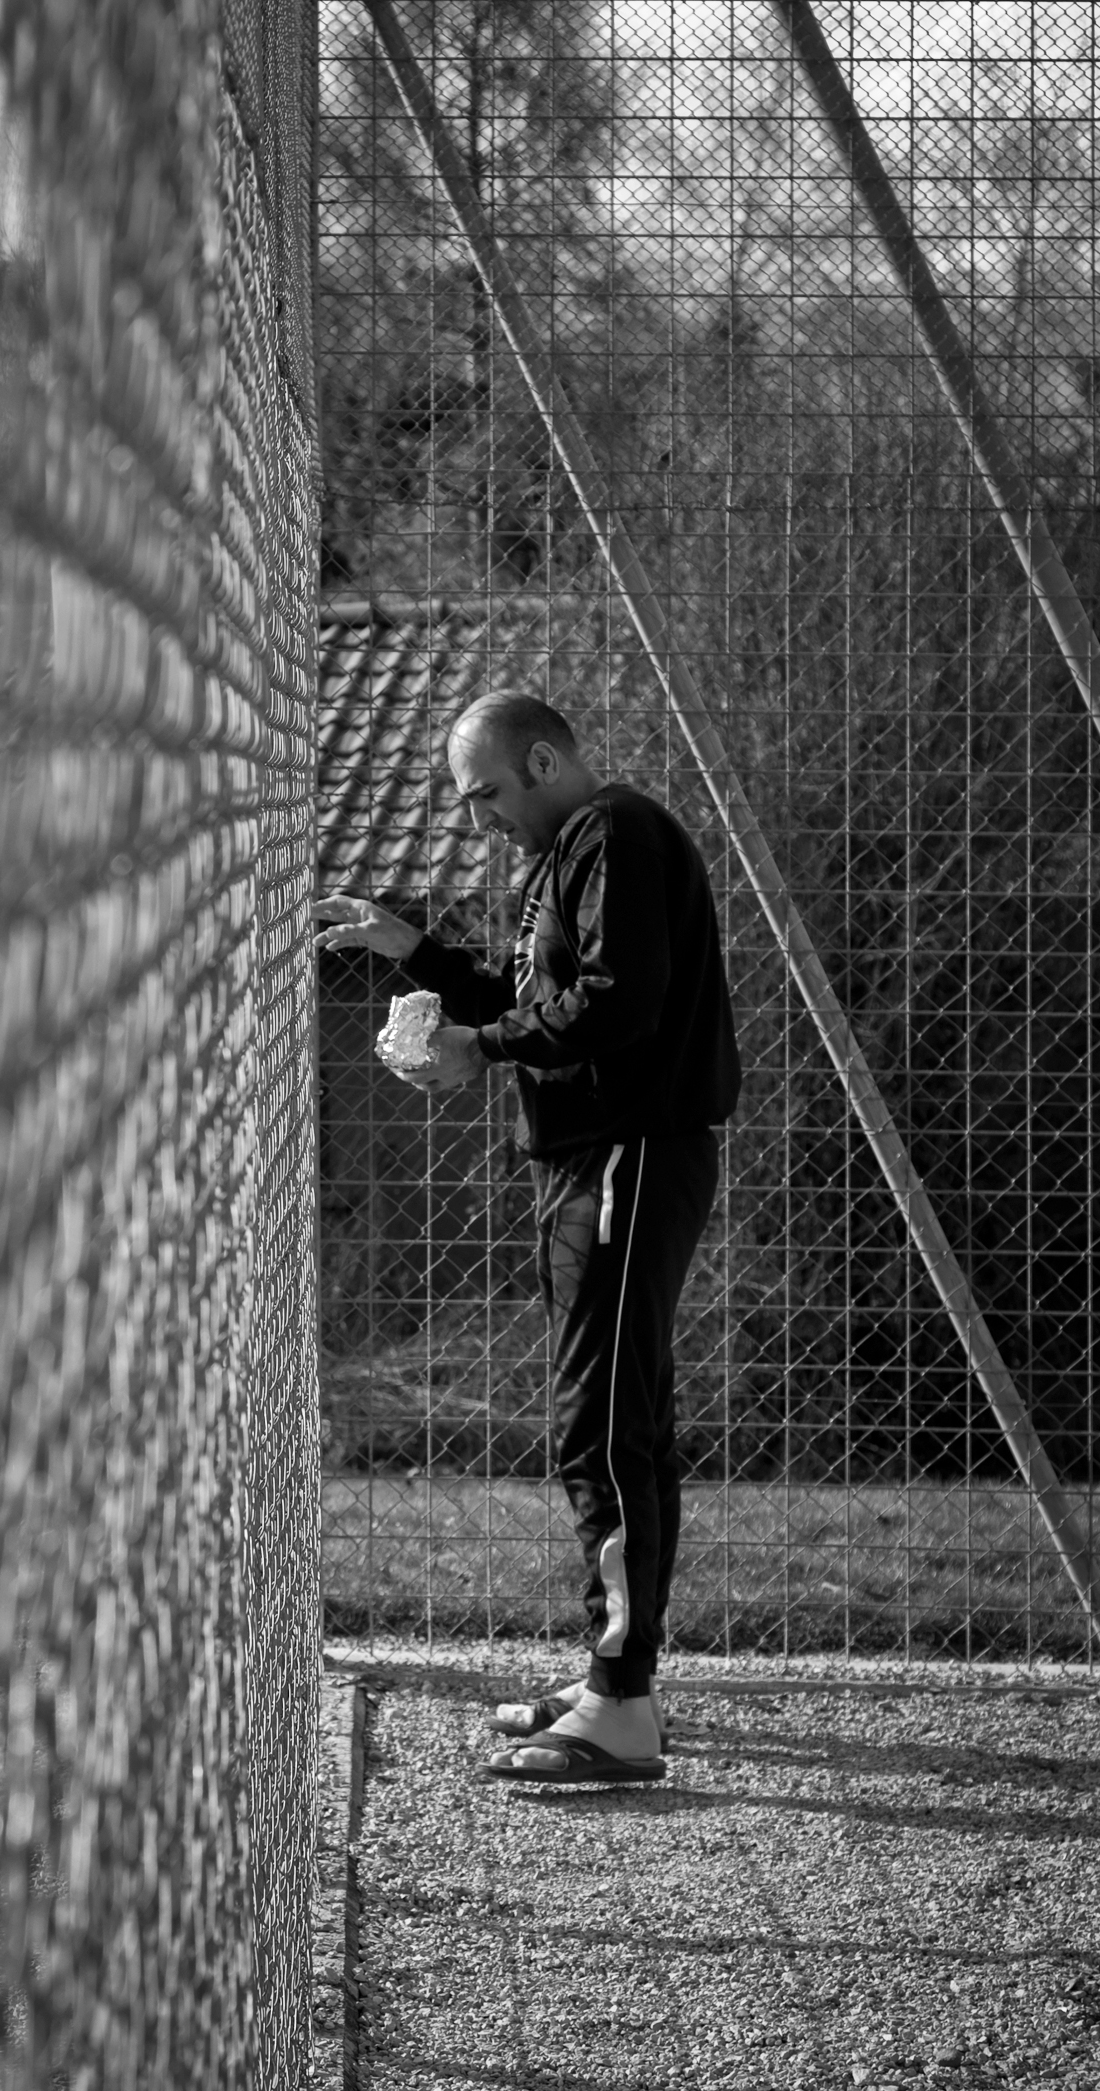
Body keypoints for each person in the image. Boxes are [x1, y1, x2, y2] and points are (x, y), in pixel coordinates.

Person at [313, 694, 740, 1784]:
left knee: (598, 1426)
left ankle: (622, 1702)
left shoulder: (614, 831)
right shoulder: (566, 857)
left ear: (544, 760)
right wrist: (416, 953)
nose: (479, 820)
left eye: (486, 795)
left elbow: (617, 1003)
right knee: (626, 1423)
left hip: (627, 1155)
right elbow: (527, 994)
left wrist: (483, 1048)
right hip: (598, 1160)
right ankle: (619, 1678)